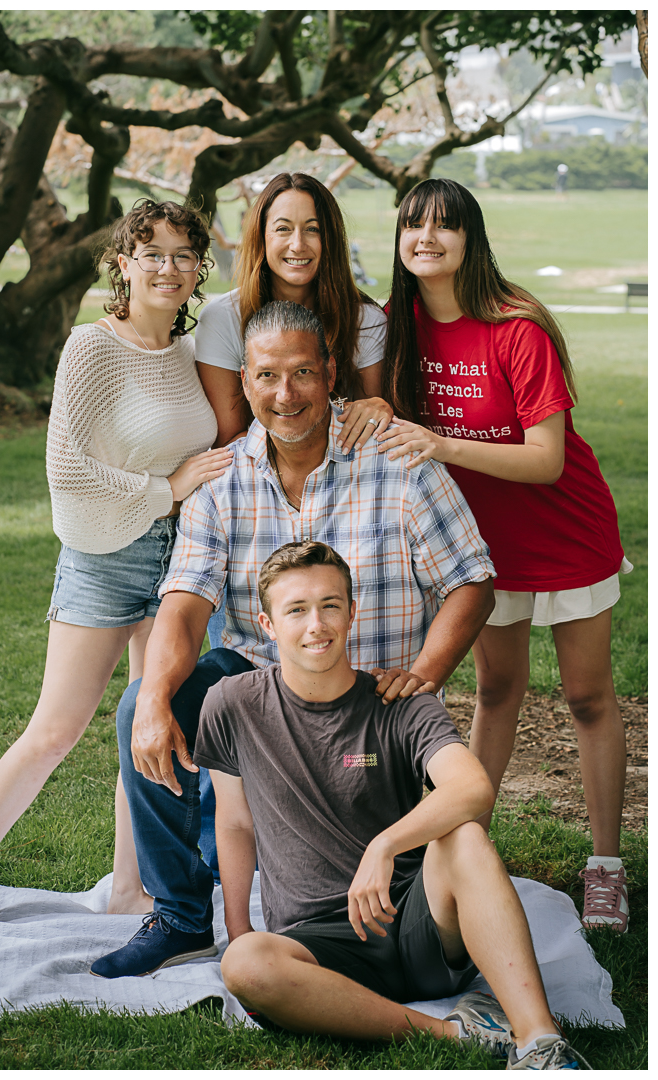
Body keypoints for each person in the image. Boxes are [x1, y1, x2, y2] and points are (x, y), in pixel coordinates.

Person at [89, 299, 495, 979]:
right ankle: (186, 918)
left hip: (374, 707)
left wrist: (424, 673)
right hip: (268, 699)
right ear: (244, 381)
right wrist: (157, 695)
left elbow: (472, 581)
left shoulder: (397, 463)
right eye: (268, 376)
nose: (286, 394)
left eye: (303, 373)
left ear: (331, 371)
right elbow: (186, 606)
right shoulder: (222, 483)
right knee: (142, 705)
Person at [198, 540, 591, 1070]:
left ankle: (541, 1043)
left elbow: (471, 787)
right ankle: (458, 1035)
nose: (316, 624)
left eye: (330, 605)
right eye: (296, 610)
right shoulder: (232, 703)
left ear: (352, 612)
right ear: (267, 625)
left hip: (416, 924)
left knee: (464, 834)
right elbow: (235, 821)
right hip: (318, 947)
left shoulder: (399, 702)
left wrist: (385, 846)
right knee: (245, 964)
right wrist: (240, 927)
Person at [0, 199, 235, 922]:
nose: (168, 268)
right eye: (152, 253)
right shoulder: (92, 346)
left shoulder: (188, 351)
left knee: (149, 729)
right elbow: (67, 468)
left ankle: (129, 887)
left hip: (179, 565)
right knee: (56, 729)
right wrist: (166, 488)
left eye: (182, 255)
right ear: (122, 264)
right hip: (104, 557)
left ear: (198, 267)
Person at [377, 177, 630, 932]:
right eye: (413, 225)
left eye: (444, 226)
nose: (426, 238)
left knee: (587, 697)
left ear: (470, 238)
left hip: (566, 533)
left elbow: (548, 458)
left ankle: (606, 868)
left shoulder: (516, 325)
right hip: (482, 550)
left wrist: (442, 442)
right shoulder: (397, 327)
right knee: (496, 694)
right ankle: (466, 849)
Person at [194, 172, 392, 448]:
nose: (298, 245)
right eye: (283, 229)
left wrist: (377, 409)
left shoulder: (365, 320)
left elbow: (369, 431)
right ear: (261, 236)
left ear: (331, 238)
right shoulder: (222, 318)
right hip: (254, 480)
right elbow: (229, 440)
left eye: (313, 229)